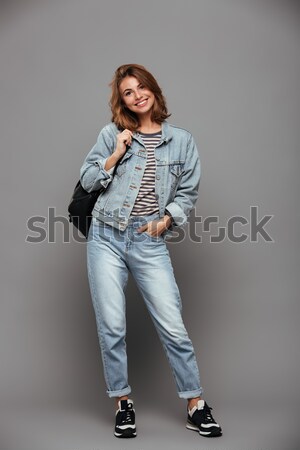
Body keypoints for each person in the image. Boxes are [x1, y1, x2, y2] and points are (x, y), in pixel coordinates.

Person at [79, 63, 222, 439]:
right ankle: (122, 403)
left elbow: (187, 191)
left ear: (154, 90)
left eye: (142, 87)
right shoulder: (112, 133)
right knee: (112, 325)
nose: (137, 94)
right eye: (128, 91)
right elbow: (88, 178)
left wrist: (167, 220)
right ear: (121, 100)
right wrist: (115, 153)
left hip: (148, 241)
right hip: (106, 236)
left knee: (172, 325)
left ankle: (195, 405)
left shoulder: (182, 141)